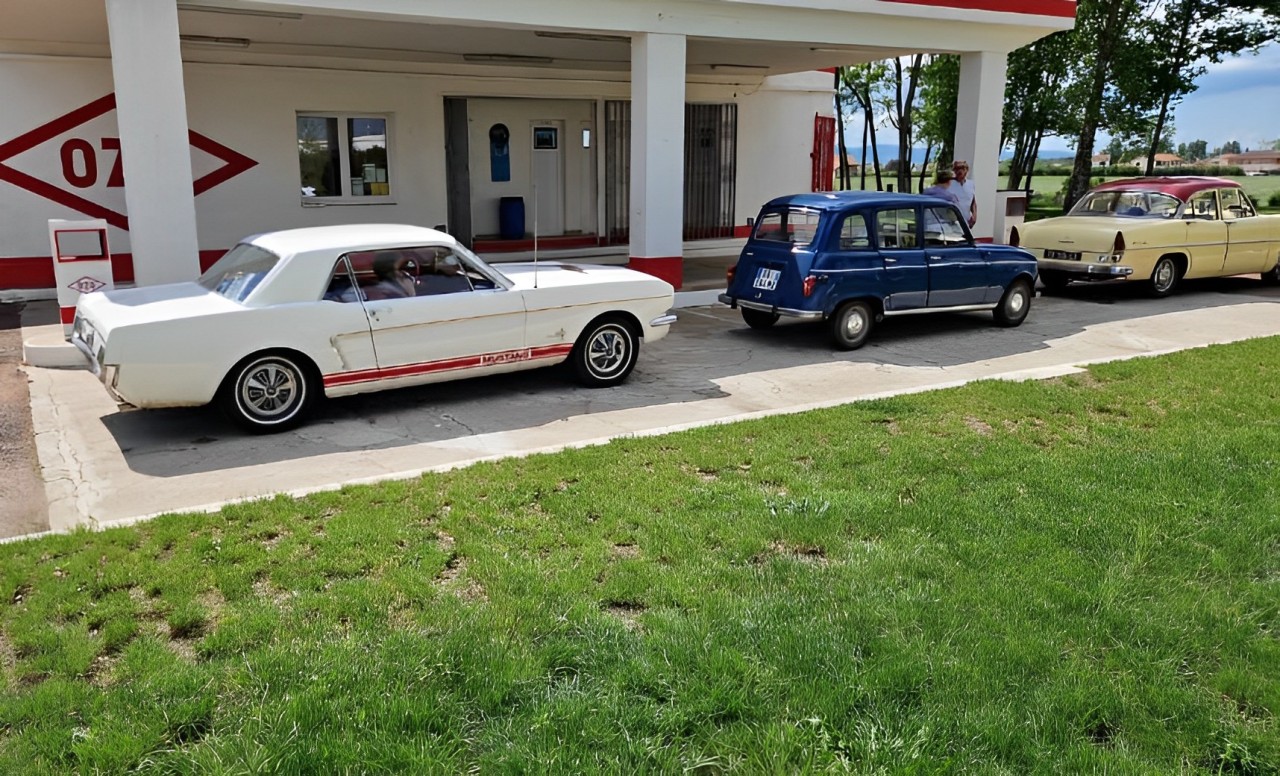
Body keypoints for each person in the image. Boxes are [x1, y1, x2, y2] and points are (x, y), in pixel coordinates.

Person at [948, 159, 977, 227]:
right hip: (952, 222)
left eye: (962, 168)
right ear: (954, 170)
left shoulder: (971, 184)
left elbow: (973, 202)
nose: (960, 171)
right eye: (957, 169)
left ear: (966, 170)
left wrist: (974, 215)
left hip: (967, 222)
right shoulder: (949, 184)